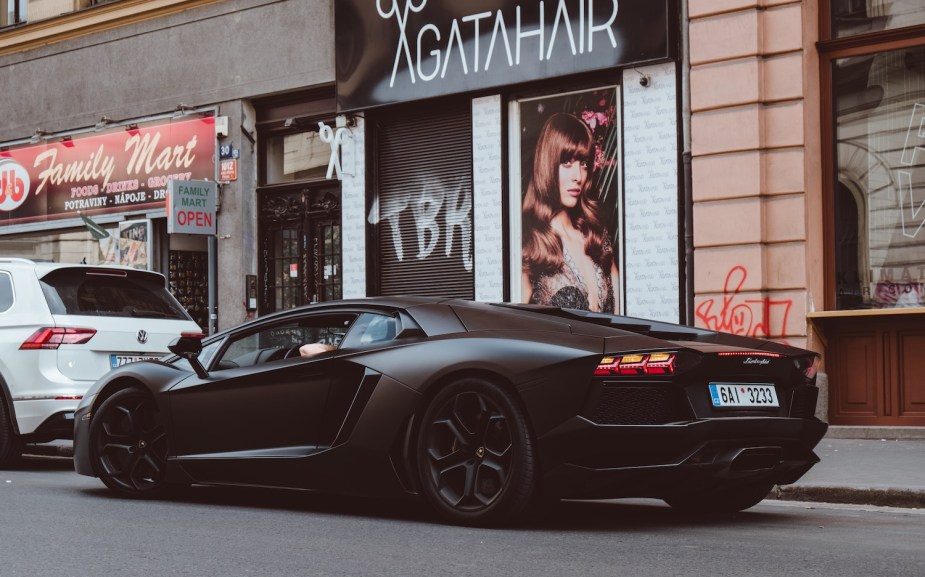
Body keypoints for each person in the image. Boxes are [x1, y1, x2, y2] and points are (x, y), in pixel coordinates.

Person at [521, 112, 619, 313]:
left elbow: (625, 314)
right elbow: (511, 328)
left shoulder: (596, 238)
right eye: (567, 162)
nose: (578, 176)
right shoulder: (530, 242)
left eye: (583, 164)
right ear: (547, 165)